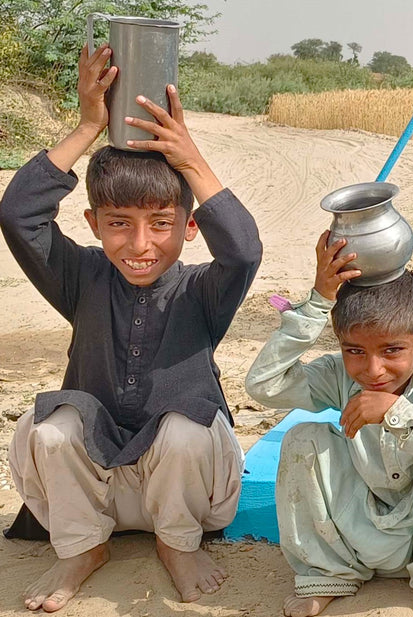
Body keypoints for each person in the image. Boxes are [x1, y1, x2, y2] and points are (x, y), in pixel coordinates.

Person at [0, 43, 262, 611]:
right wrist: (88, 125)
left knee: (188, 426)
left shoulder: (203, 291)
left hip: (185, 493)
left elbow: (243, 251)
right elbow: (18, 214)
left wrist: (190, 159)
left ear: (190, 227)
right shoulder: (81, 278)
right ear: (93, 223)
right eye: (119, 223)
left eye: (161, 224)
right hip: (96, 496)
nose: (140, 245)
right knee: (50, 426)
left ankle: (177, 546)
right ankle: (81, 549)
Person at [245, 240, 413, 617]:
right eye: (355, 351)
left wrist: (398, 413)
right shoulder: (339, 377)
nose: (373, 370)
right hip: (362, 529)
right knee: (303, 438)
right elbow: (263, 385)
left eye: (391, 351)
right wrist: (318, 303)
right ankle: (328, 574)